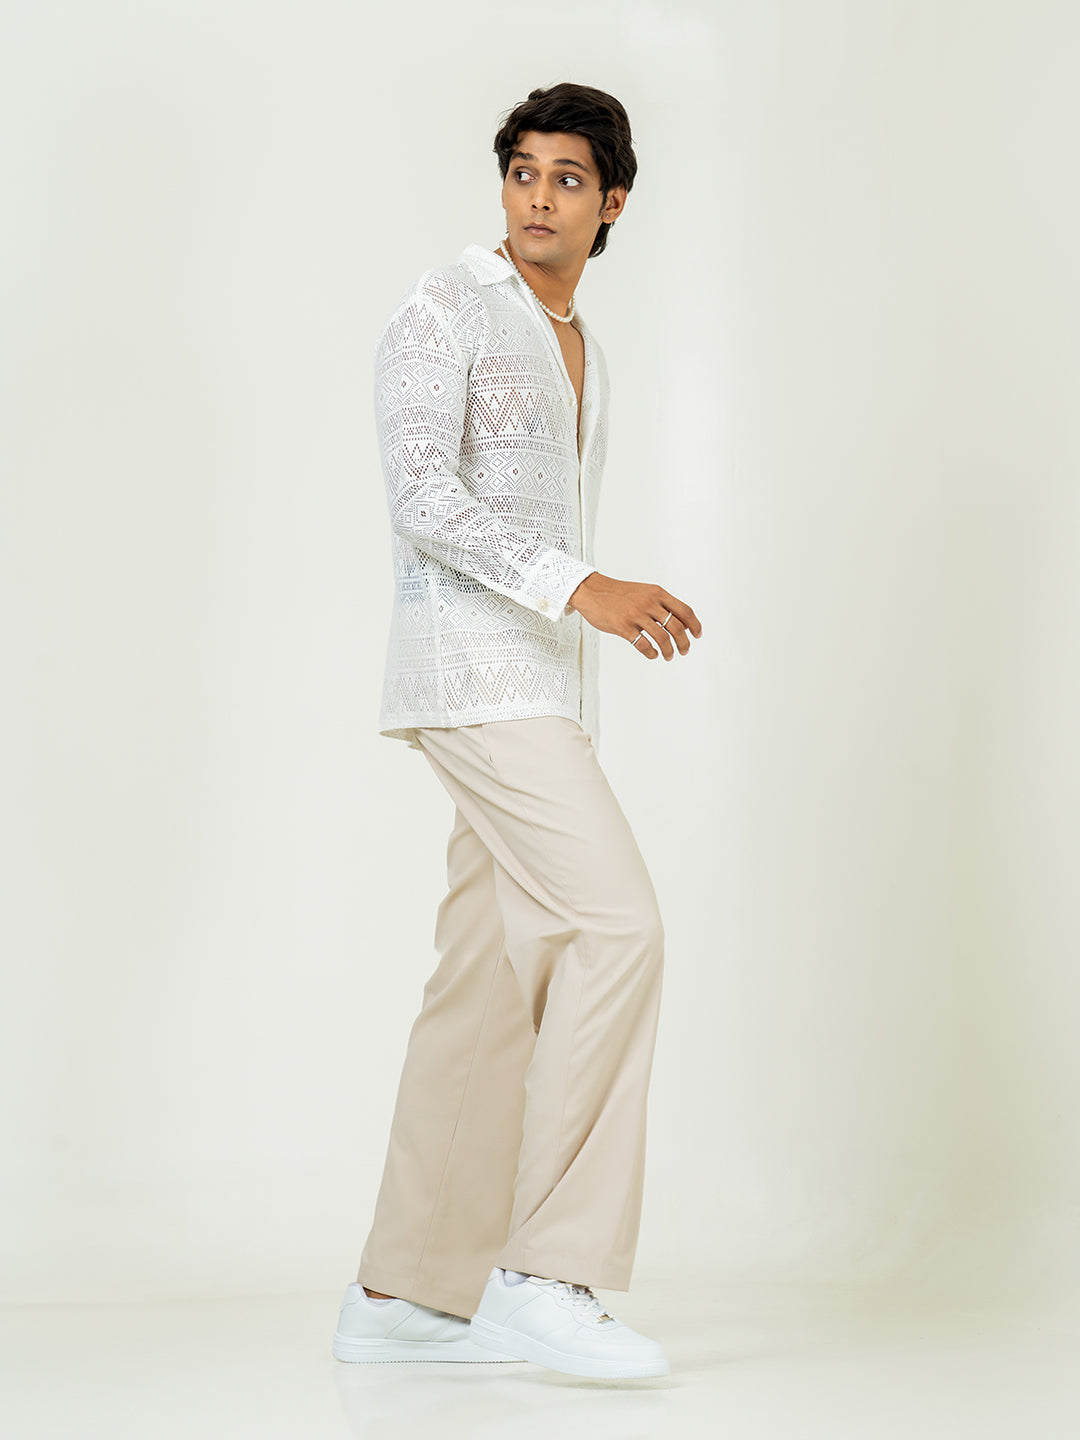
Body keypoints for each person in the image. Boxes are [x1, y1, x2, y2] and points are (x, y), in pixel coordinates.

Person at [331, 82, 702, 1381]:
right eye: (523, 172)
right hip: (476, 674)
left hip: (543, 684)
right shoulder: (448, 306)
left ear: (613, 205)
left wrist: (575, 617)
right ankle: (547, 1273)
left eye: (567, 179)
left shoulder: (576, 333)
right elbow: (422, 497)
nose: (539, 197)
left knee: (487, 982)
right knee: (617, 927)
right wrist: (581, 586)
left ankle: (403, 1292)